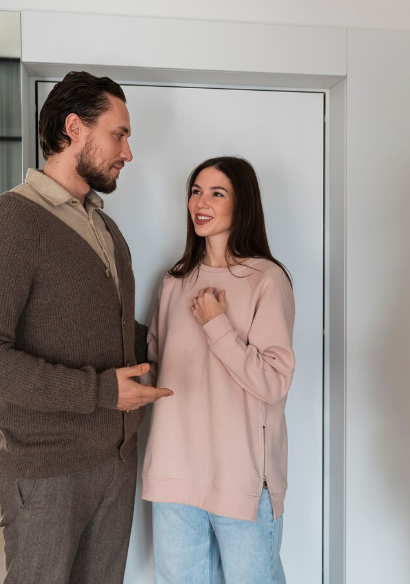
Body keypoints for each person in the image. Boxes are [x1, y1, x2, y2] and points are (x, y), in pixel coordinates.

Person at [0, 71, 172, 584]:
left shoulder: (105, 227)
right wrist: (97, 392)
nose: (128, 152)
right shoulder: (8, 222)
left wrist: (186, 332)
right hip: (45, 470)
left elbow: (110, 332)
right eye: (119, 134)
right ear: (75, 128)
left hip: (116, 461)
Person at [140, 156, 295, 584]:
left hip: (241, 478)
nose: (201, 203)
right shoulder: (174, 281)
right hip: (174, 474)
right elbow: (156, 366)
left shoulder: (266, 279)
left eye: (216, 193)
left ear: (241, 204)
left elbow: (274, 381)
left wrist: (216, 324)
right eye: (195, 191)